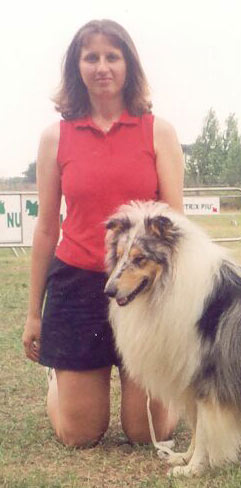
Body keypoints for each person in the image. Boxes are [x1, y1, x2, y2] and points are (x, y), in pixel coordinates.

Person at [21, 19, 183, 447]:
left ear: (129, 65)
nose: (102, 66)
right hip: (78, 284)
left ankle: (172, 392)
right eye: (90, 57)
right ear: (77, 67)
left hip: (143, 290)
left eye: (113, 56)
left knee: (145, 433)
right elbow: (45, 229)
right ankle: (63, 382)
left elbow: (175, 227)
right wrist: (34, 314)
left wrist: (178, 307)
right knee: (80, 434)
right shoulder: (55, 138)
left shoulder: (158, 132)